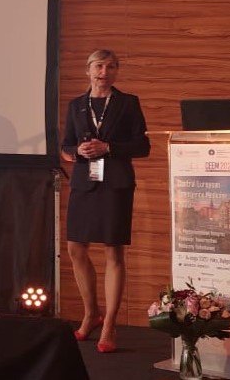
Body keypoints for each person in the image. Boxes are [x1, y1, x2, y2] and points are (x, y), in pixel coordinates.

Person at [60, 49, 150, 353]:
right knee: (75, 248)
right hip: (84, 183)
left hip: (116, 184)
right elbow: (66, 146)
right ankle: (91, 313)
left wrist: (108, 147)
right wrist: (77, 151)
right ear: (88, 70)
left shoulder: (128, 103)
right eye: (99, 66)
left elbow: (143, 145)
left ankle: (110, 323)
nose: (104, 72)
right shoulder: (76, 105)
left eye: (111, 67)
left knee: (113, 251)